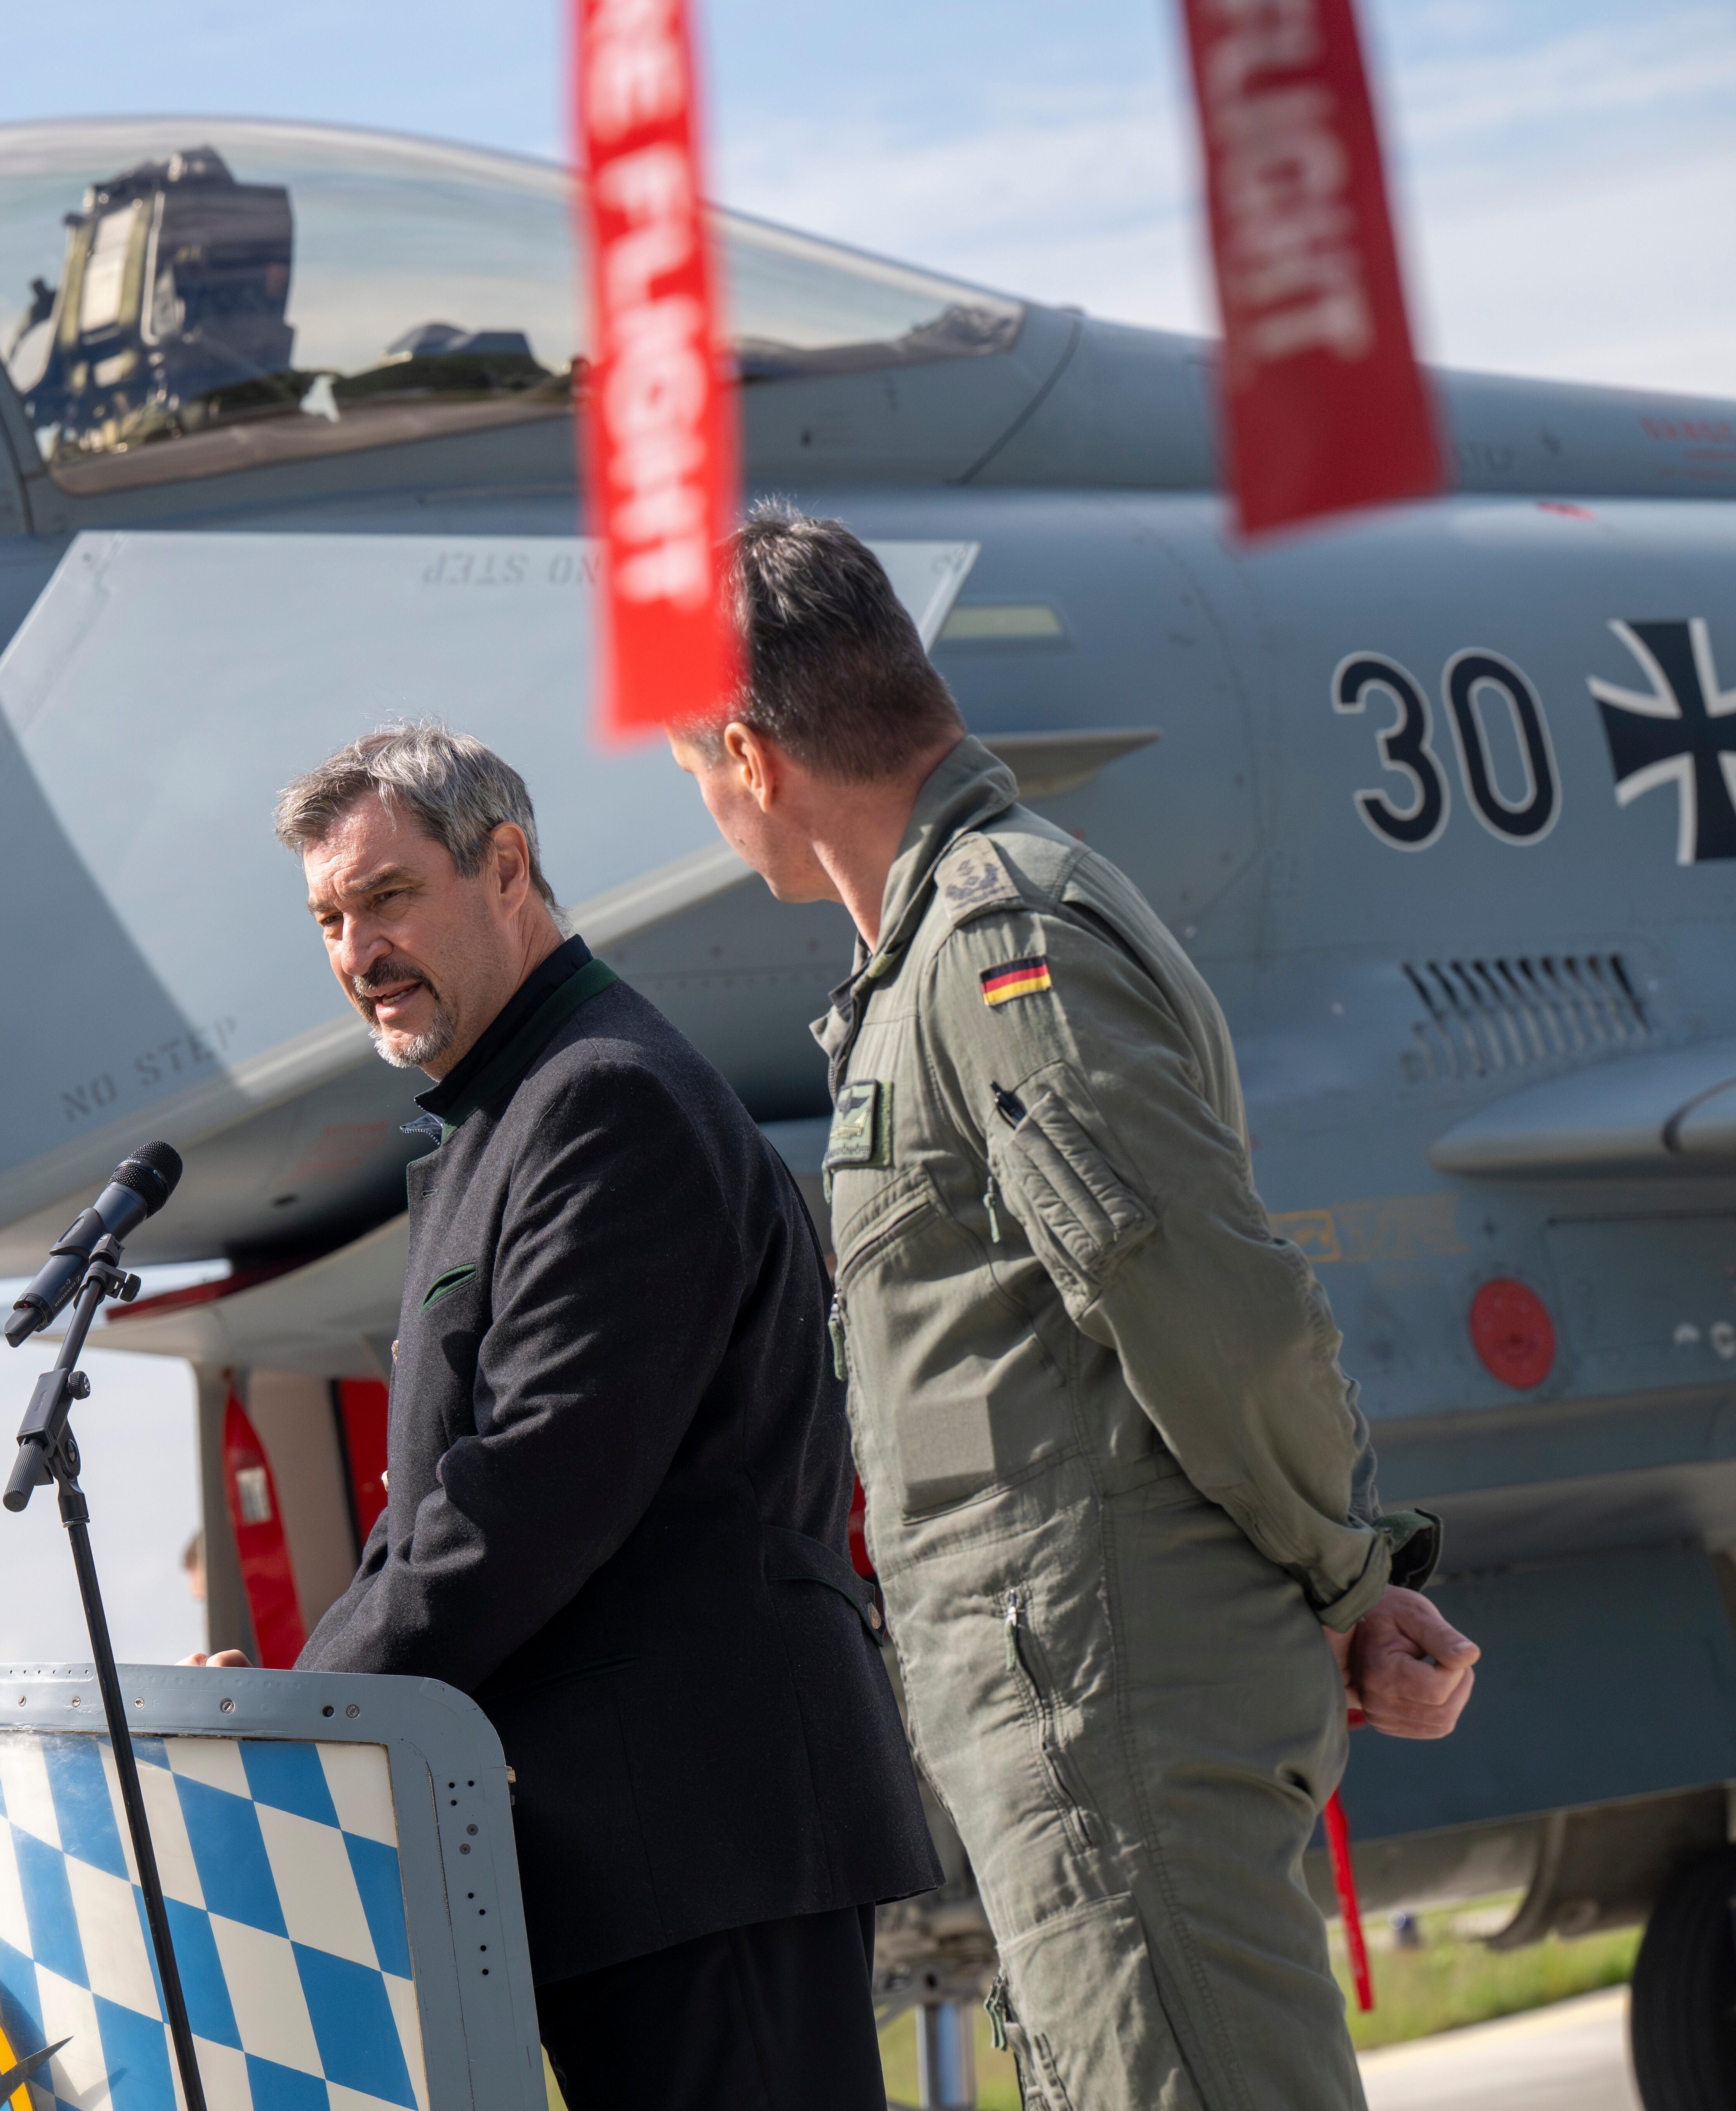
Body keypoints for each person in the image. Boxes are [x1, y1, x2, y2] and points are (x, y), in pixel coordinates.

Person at [664, 502, 1480, 2109]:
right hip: (1073, 1709)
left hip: (1107, 1705)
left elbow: (1192, 1293)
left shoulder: (992, 946)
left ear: (753, 757)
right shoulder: (938, 955)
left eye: (691, 772)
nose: (700, 812)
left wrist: (1344, 1569)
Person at [229, 722, 937, 2110]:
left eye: (386, 897)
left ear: (505, 867)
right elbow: (435, 1509)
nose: (357, 951)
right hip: (630, 1855)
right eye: (327, 918)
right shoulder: (496, 1124)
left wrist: (298, 1720)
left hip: (704, 1837)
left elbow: (529, 1490)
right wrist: (286, 1697)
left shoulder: (603, 1104)